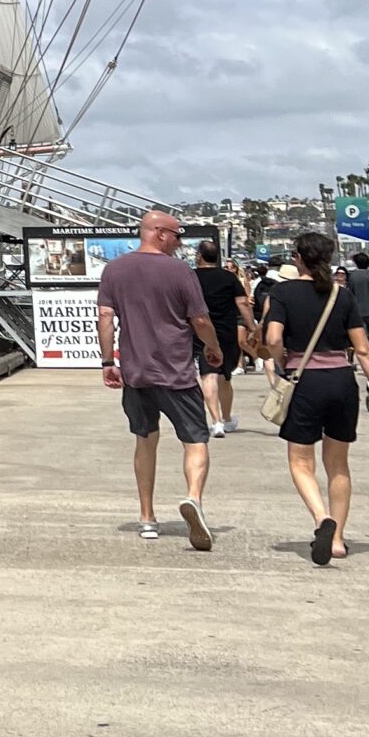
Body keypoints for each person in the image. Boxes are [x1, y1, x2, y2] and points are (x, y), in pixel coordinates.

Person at [97, 209, 223, 548]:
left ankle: (147, 518)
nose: (180, 243)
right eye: (177, 235)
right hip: (176, 372)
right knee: (195, 440)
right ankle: (193, 498)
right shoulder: (179, 271)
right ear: (159, 233)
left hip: (136, 373)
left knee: (144, 440)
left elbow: (105, 317)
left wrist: (108, 361)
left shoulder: (114, 270)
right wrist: (213, 347)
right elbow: (199, 320)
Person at [264, 229, 369, 562]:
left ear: (298, 258)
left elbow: (274, 338)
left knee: (300, 462)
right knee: (338, 464)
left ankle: (322, 518)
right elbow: (363, 349)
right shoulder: (342, 295)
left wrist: (283, 363)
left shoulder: (282, 293)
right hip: (341, 381)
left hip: (304, 381)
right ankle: (338, 540)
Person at [192, 239, 254, 432]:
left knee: (208, 374)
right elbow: (243, 303)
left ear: (199, 256)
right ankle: (227, 418)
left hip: (201, 331)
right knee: (225, 377)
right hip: (227, 332)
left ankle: (216, 421)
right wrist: (252, 326)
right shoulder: (229, 277)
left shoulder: (191, 277)